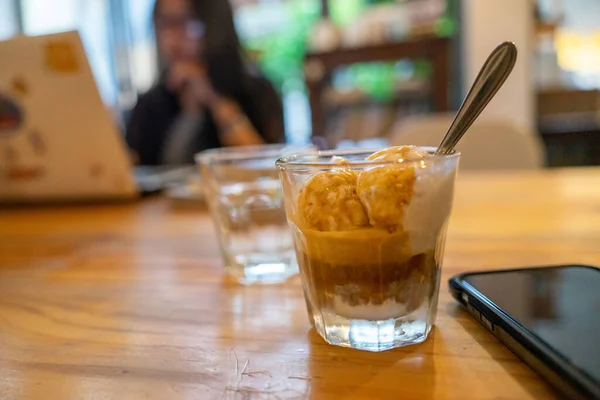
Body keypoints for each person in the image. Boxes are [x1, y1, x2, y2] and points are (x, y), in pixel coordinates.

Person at [126, 0, 285, 165]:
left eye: (185, 21)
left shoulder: (256, 91)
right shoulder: (150, 104)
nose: (171, 38)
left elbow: (267, 166)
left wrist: (213, 100)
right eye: (164, 24)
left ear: (214, 24)